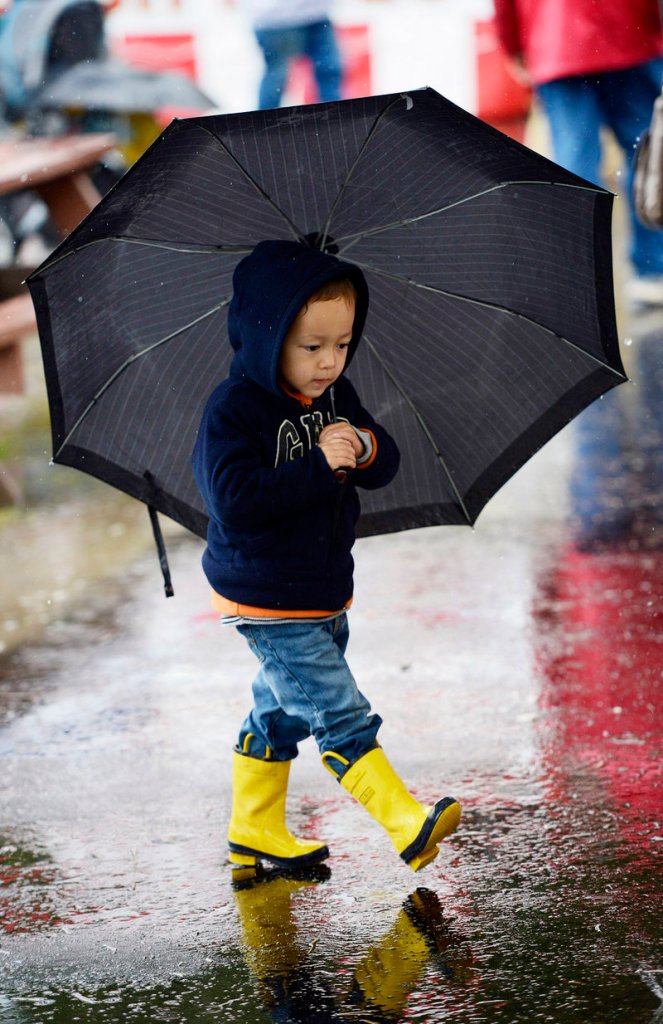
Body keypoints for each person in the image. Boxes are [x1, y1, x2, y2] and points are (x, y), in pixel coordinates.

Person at [192, 239, 461, 876]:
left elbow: (383, 462)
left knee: (279, 711)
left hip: (320, 587)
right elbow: (234, 501)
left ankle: (253, 830)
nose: (329, 362)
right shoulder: (234, 412)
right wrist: (317, 467)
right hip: (264, 594)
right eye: (311, 347)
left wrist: (364, 447)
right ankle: (405, 824)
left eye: (342, 345)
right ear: (267, 337)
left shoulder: (338, 397)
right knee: (336, 708)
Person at [493, 0, 663, 306]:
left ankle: (578, 277)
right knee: (645, 155)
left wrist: (512, 43)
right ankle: (651, 270)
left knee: (574, 163)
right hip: (628, 33)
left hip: (557, 41)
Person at [231, 0, 342, 109]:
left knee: (329, 71)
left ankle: (337, 120)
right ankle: (265, 124)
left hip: (316, 14)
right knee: (277, 77)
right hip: (276, 18)